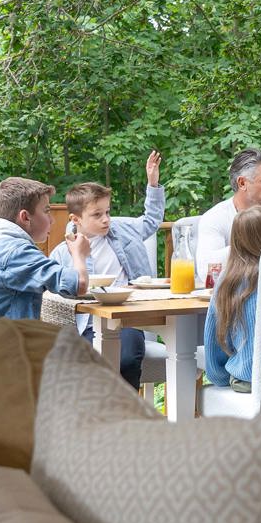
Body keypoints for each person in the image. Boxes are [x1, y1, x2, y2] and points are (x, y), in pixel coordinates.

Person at [52, 150, 164, 390]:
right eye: (97, 214)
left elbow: (152, 221)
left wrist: (152, 184)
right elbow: (55, 294)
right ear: (76, 218)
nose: (106, 219)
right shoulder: (63, 252)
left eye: (107, 212)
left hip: (126, 319)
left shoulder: (123, 230)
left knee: (126, 360)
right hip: (88, 323)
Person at [203, 205, 261, 392]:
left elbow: (215, 350)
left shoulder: (229, 281)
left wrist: (223, 377)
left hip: (251, 383)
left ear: (236, 241)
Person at [0, 177, 90, 319]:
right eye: (46, 211)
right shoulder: (17, 252)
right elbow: (79, 284)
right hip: (11, 339)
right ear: (25, 217)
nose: (52, 220)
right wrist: (78, 253)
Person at [196, 148, 261, 281]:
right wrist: (251, 245)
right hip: (232, 297)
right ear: (242, 183)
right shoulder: (214, 217)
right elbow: (206, 273)